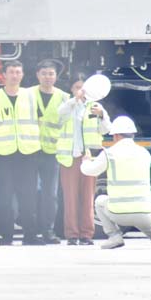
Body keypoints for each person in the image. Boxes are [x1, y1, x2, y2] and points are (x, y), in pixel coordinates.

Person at [81, 116, 151, 250]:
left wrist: (86, 160)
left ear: (116, 136)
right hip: (145, 211)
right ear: (133, 134)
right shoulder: (144, 153)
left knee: (100, 201)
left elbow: (89, 171)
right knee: (146, 222)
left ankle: (114, 237)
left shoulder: (110, 154)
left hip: (119, 212)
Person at [0, 60, 41, 246]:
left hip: (27, 152)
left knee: (29, 196)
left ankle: (30, 234)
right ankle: (6, 235)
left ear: (22, 75)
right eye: (11, 72)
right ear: (3, 75)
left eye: (18, 72)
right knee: (4, 197)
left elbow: (39, 120)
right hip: (3, 153)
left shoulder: (32, 96)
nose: (15, 75)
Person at [57, 74, 111, 245]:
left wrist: (102, 115)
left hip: (89, 157)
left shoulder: (96, 106)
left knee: (88, 197)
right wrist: (74, 100)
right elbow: (59, 116)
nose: (81, 90)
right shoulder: (67, 104)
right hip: (70, 157)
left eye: (83, 87)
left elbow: (106, 130)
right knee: (70, 197)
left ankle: (87, 234)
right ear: (72, 90)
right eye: (77, 87)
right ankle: (72, 235)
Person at [30, 60, 71, 244]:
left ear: (56, 76)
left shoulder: (64, 97)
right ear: (37, 75)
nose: (48, 77)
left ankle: (48, 231)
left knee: (50, 194)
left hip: (52, 152)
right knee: (29, 192)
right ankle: (30, 231)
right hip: (30, 150)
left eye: (51, 74)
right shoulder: (28, 94)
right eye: (44, 73)